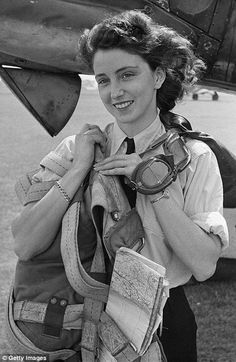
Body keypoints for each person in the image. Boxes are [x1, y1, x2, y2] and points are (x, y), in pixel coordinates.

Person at [9, 9, 228, 361]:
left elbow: (204, 265)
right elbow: (24, 243)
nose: (115, 91)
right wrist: (79, 169)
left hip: (161, 323)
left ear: (158, 76)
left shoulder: (194, 156)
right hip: (83, 319)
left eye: (127, 75)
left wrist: (153, 185)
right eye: (105, 80)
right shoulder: (75, 150)